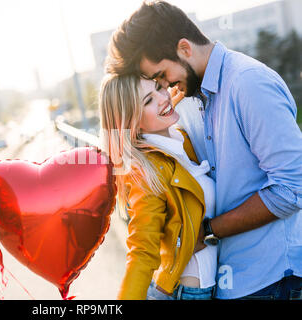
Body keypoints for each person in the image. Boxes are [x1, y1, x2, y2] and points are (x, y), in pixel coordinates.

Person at [105, 0, 302, 300]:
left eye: (161, 76)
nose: (165, 87)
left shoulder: (248, 83)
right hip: (227, 282)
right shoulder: (190, 97)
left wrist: (208, 229)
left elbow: (293, 188)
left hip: (270, 281)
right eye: (156, 83)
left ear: (184, 48)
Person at [99, 73, 217, 300]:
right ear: (131, 121)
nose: (162, 98)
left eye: (159, 88)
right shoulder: (145, 172)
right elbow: (142, 249)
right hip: (191, 291)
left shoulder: (179, 140)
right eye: (147, 101)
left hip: (217, 281)